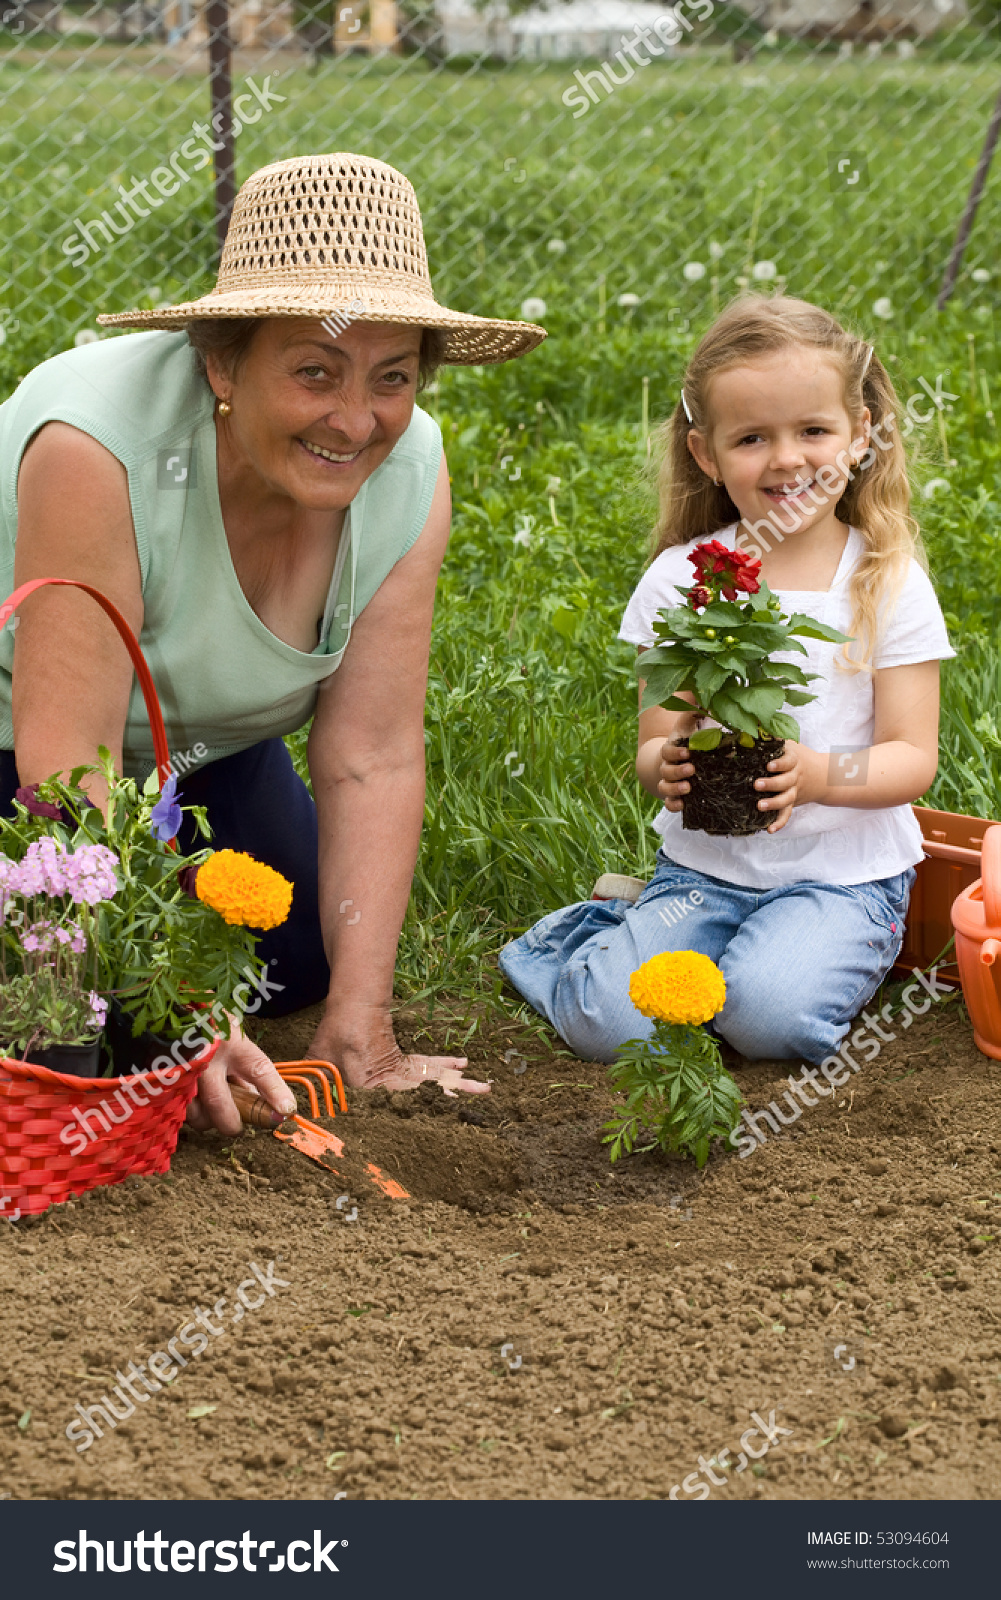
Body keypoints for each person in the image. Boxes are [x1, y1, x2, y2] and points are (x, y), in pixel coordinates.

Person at [0, 152, 546, 1128]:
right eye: (313, 372)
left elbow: (372, 757)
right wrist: (186, 1006)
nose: (353, 419)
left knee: (295, 956)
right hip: (32, 767)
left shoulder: (408, 466)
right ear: (221, 361)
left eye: (390, 378)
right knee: (76, 1025)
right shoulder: (98, 447)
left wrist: (359, 1032)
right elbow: (66, 766)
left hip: (197, 761)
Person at [499, 293, 955, 1067]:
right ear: (706, 454)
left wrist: (817, 775)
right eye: (751, 438)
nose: (786, 459)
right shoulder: (683, 576)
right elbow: (654, 744)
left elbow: (913, 757)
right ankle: (591, 935)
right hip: (704, 869)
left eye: (813, 430)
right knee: (610, 1028)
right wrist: (665, 766)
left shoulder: (884, 580)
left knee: (767, 1019)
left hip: (842, 878)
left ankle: (788, 958)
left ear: (859, 438)